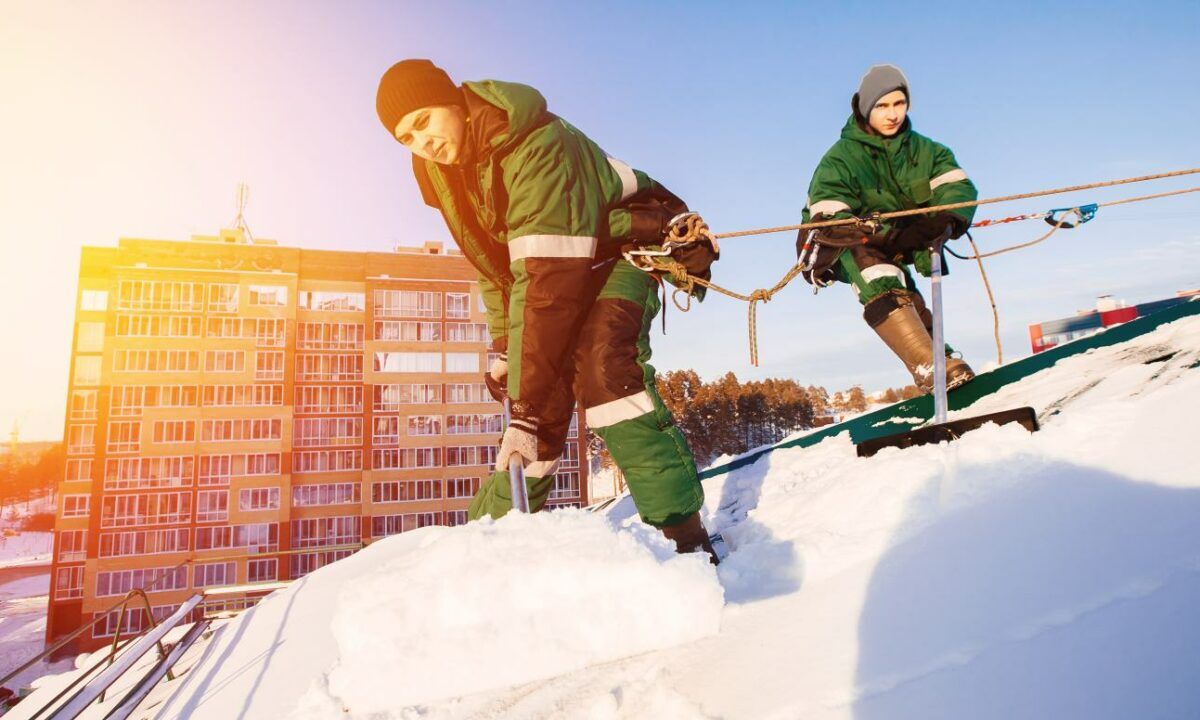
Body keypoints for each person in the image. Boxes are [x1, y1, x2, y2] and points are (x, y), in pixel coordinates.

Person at [375, 59, 720, 562]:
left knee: (603, 372)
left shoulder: (533, 140)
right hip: (558, 267)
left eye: (423, 120)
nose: (421, 143)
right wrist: (503, 347)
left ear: (453, 100)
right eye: (405, 137)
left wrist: (528, 405)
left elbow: (547, 279)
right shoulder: (447, 174)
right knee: (539, 402)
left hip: (619, 249)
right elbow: (496, 270)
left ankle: (687, 540)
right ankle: (483, 552)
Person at [799, 64, 977, 392]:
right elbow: (829, 214)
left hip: (898, 240)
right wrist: (889, 234)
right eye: (882, 106)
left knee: (905, 292)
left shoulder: (927, 151)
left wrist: (947, 218)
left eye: (899, 103)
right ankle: (927, 364)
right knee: (877, 273)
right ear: (866, 108)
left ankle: (942, 358)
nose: (892, 114)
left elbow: (956, 185)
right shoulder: (841, 158)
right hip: (839, 243)